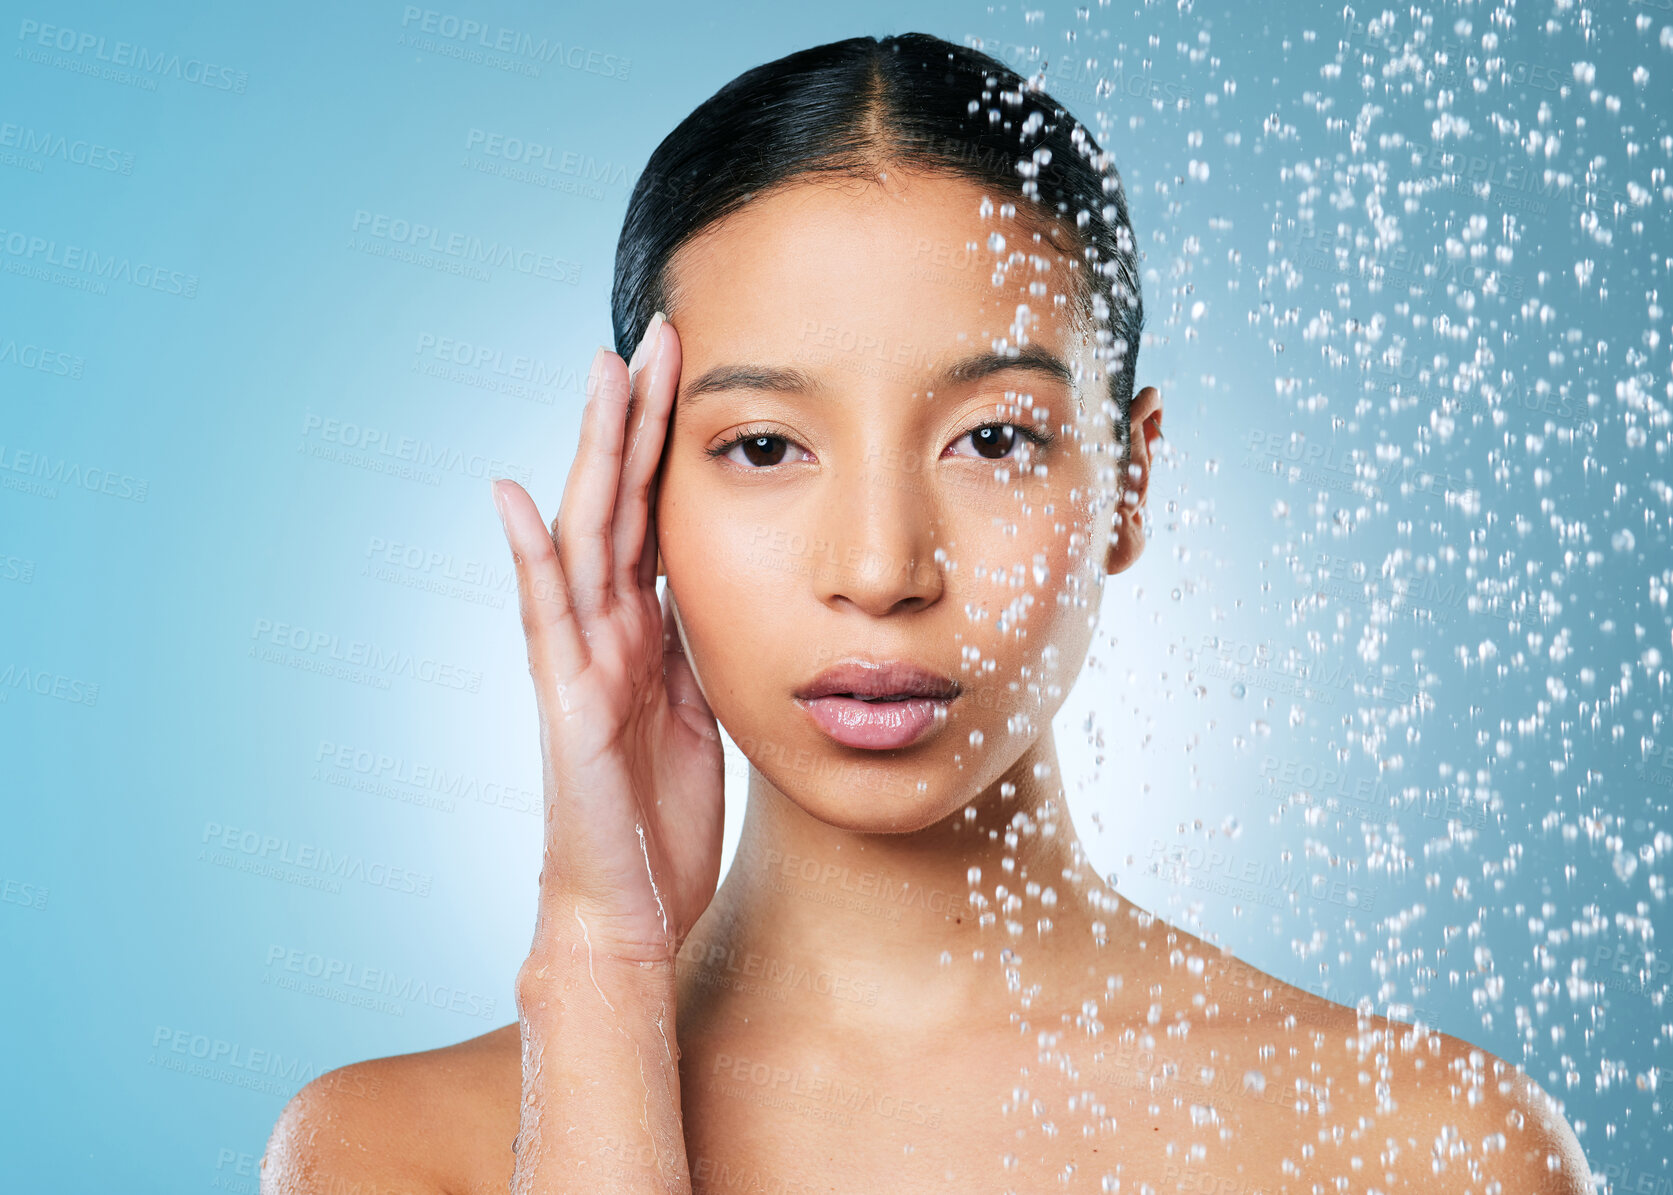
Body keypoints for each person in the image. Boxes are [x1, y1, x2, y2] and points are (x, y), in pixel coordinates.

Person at [261, 32, 1591, 1194]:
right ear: (638, 487)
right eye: (766, 447)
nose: (882, 565)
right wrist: (599, 969)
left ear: (1129, 484)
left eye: (995, 439)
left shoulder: (1421, 1147)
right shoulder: (394, 1151)